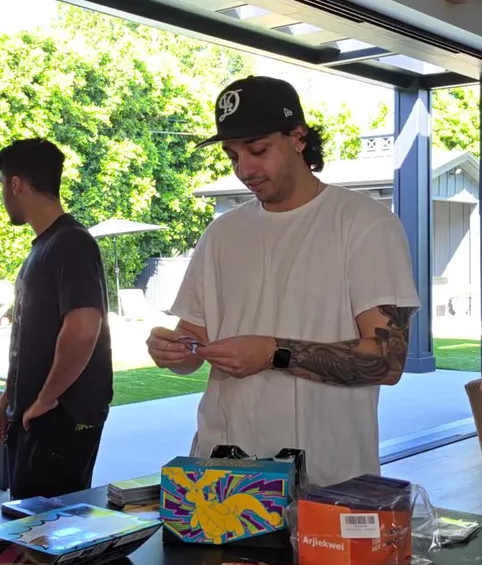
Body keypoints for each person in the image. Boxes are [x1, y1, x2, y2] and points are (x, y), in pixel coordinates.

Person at [145, 76, 421, 487]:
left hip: (328, 476)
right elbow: (194, 340)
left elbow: (388, 360)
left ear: (298, 138)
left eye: (257, 150)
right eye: (232, 155)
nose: (244, 169)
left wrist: (275, 353)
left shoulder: (365, 224)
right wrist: (174, 350)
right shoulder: (222, 233)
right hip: (222, 472)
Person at [0, 138, 113, 499]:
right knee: (26, 521)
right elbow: (31, 344)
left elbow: (83, 328)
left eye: (2, 185)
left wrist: (47, 399)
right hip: (36, 416)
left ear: (16, 184)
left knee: (46, 527)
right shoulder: (45, 247)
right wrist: (5, 405)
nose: (3, 196)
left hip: (61, 419)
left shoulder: (71, 243)